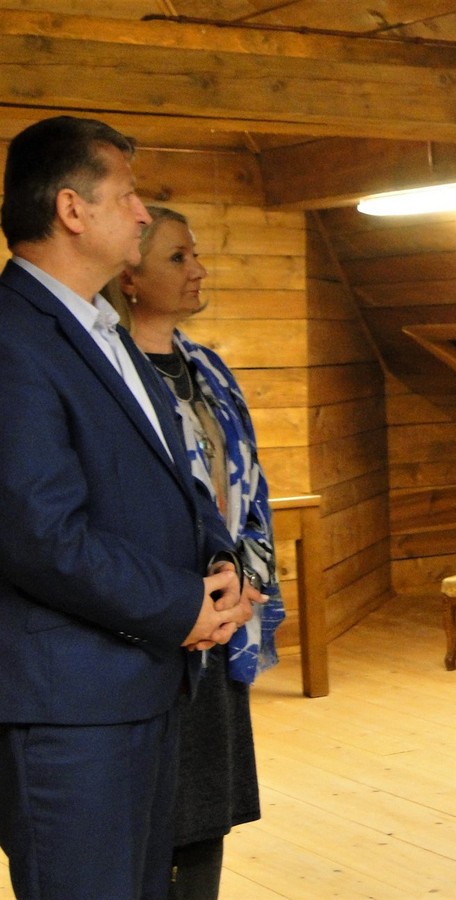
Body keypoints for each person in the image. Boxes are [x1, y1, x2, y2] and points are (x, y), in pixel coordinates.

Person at [0, 116, 253, 899]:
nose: (143, 213)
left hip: (145, 684)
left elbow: (175, 478)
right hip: (71, 709)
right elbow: (40, 534)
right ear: (72, 209)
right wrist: (181, 605)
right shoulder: (13, 337)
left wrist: (219, 567)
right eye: (128, 195)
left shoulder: (103, 329)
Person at [107, 206, 286, 899]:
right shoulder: (107, 371)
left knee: (207, 806)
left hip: (223, 612)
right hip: (153, 619)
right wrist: (184, 600)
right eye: (178, 257)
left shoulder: (208, 367)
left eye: (197, 254)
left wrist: (245, 583)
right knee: (150, 814)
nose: (199, 269)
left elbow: (253, 483)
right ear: (129, 277)